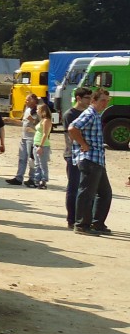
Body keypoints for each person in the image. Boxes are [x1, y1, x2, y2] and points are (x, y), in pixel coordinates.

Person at [68, 88, 113, 235]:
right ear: (93, 101)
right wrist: (83, 144)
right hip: (89, 159)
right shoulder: (89, 114)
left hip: (97, 160)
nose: (105, 104)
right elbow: (73, 128)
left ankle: (97, 223)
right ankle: (81, 225)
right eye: (102, 101)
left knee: (105, 193)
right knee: (87, 193)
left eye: (107, 101)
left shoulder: (95, 115)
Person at [62, 87, 92, 228]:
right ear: (78, 98)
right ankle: (71, 219)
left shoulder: (88, 113)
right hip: (73, 155)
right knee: (73, 187)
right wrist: (82, 144)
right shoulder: (70, 114)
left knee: (85, 187)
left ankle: (83, 218)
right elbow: (71, 136)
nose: (90, 100)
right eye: (87, 98)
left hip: (86, 155)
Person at [7, 93, 39, 185]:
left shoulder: (38, 110)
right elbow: (23, 122)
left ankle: (32, 178)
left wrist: (33, 121)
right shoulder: (27, 109)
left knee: (31, 159)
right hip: (24, 137)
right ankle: (18, 178)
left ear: (34, 100)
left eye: (28, 100)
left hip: (32, 138)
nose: (26, 101)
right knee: (22, 158)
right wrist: (11, 120)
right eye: (26, 100)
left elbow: (41, 125)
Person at [32, 101, 52, 188]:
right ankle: (37, 180)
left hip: (42, 145)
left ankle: (43, 181)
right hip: (36, 143)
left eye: (37, 109)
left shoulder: (46, 120)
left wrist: (41, 146)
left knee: (42, 164)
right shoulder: (42, 120)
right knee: (37, 164)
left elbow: (45, 134)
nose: (36, 111)